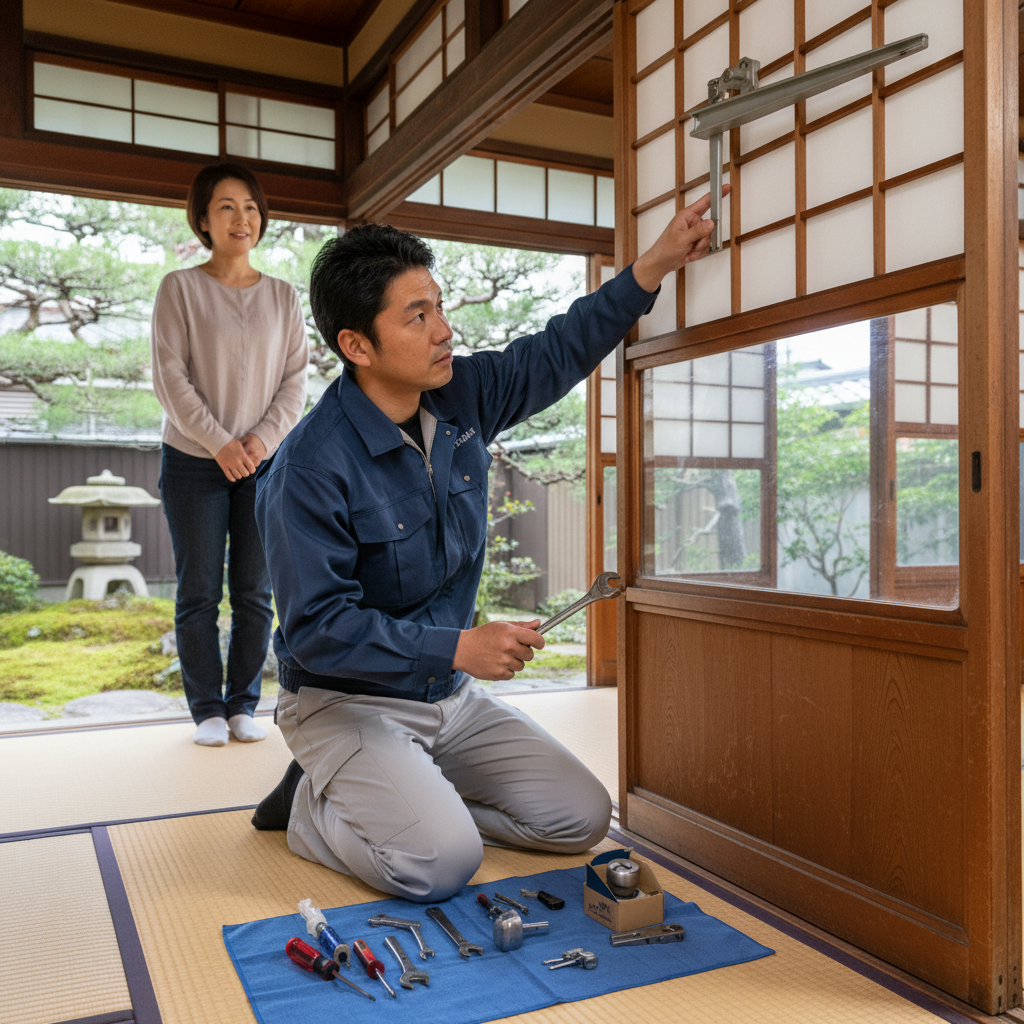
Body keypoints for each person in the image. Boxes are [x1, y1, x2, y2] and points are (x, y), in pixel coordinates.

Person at [251, 190, 724, 901]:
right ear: (356, 345)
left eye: (439, 306)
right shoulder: (307, 470)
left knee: (582, 818)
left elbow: (557, 350)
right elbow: (316, 631)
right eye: (418, 316)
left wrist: (654, 264)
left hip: (450, 700)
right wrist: (458, 647)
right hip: (346, 702)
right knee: (438, 867)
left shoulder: (461, 394)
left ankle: (411, 803)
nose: (444, 331)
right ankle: (317, 808)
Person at [151, 163, 309, 747]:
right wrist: (219, 442)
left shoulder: (284, 296)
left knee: (254, 590)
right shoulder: (180, 288)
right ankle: (206, 711)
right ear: (202, 220)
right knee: (198, 590)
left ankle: (244, 703)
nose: (242, 218)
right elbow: (170, 379)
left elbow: (296, 382)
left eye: (250, 206)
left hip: (264, 463)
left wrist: (260, 442)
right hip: (194, 461)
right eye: (226, 207)